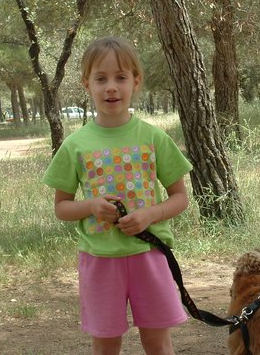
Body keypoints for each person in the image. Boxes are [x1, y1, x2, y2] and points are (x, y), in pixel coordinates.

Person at [42, 36, 193, 355]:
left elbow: (180, 197)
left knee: (158, 343)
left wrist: (150, 214)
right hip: (99, 261)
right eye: (101, 79)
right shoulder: (75, 145)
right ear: (87, 85)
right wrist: (91, 206)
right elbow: (62, 207)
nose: (111, 87)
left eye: (121, 77)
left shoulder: (153, 138)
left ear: (136, 82)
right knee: (106, 345)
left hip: (149, 255)